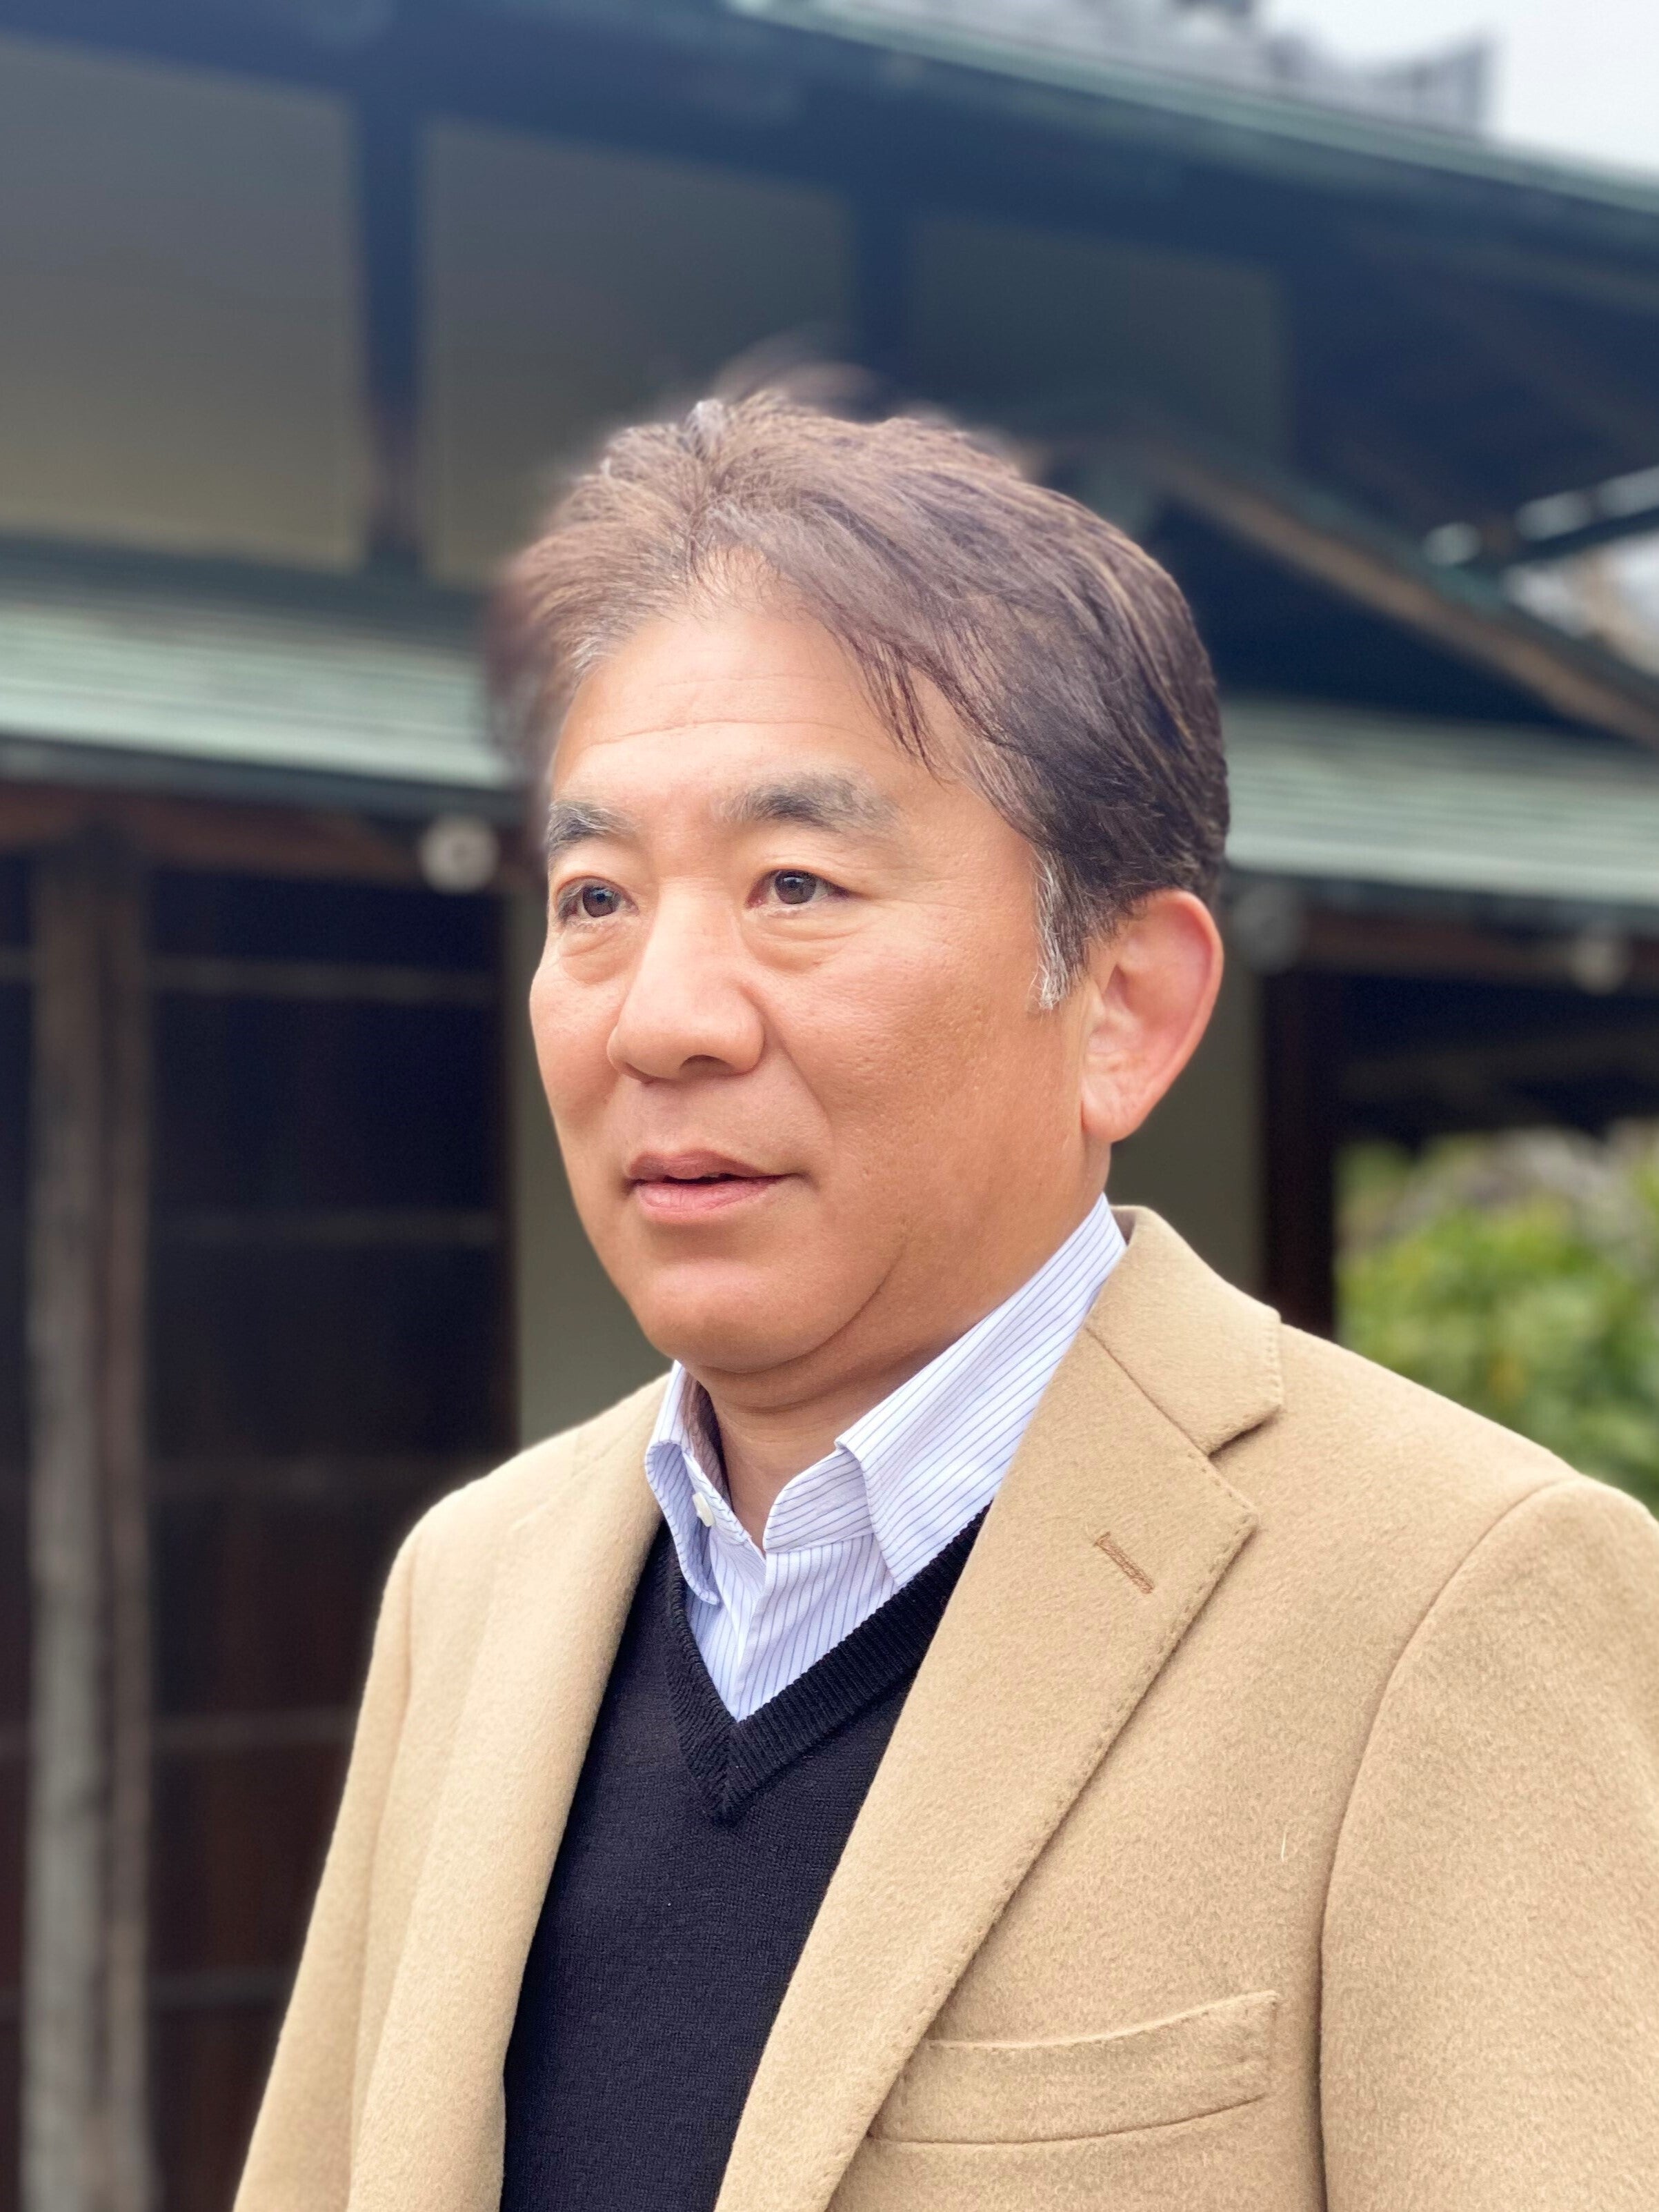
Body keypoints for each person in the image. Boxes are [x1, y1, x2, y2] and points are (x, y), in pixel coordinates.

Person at [235, 396, 1659, 2212]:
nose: (662, 1016)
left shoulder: (1452, 1596)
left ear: (1125, 1005)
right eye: (596, 898)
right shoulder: (475, 1581)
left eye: (796, 884)